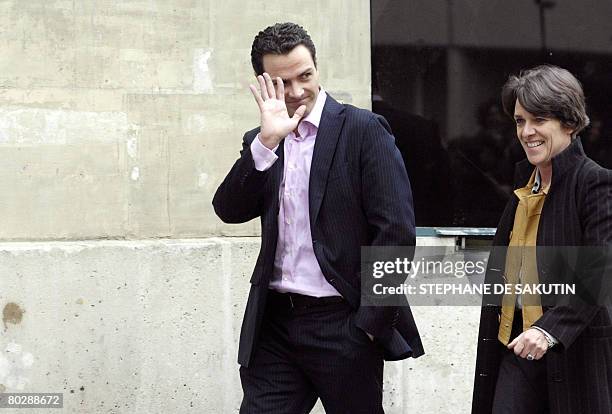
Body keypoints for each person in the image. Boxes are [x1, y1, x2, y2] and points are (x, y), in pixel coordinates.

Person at [213, 22, 423, 413]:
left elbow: (395, 234)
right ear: (264, 83)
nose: (297, 92)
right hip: (275, 324)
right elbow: (228, 209)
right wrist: (265, 143)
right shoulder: (262, 141)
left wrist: (368, 327)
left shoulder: (363, 130)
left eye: (305, 76)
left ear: (317, 66)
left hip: (343, 324)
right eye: (283, 82)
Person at [472, 65, 612, 413]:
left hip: (573, 352)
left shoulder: (594, 182)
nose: (526, 131)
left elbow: (599, 270)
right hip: (517, 349)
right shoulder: (524, 186)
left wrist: (549, 331)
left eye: (538, 120)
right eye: (520, 121)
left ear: (569, 122)